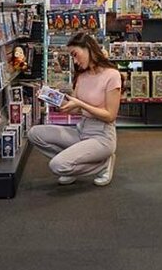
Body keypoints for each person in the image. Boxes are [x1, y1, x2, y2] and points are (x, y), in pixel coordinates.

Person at [27, 31, 120, 186]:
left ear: (88, 48)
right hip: (80, 131)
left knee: (57, 165)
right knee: (34, 133)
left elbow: (110, 116)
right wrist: (50, 98)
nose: (74, 61)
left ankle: (103, 164)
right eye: (72, 56)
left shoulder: (112, 75)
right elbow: (74, 108)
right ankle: (72, 166)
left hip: (102, 137)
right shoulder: (82, 76)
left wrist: (81, 104)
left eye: (75, 54)